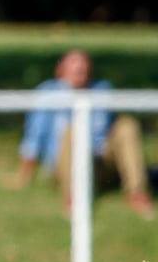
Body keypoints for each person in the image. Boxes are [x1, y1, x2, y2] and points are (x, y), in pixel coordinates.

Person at [11, 49, 153, 220]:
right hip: (64, 166)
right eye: (74, 65)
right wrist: (23, 176)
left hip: (99, 161)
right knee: (73, 131)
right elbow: (34, 138)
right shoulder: (48, 93)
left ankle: (137, 193)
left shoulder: (102, 89)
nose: (80, 69)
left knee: (126, 125)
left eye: (83, 65)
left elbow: (114, 131)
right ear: (61, 70)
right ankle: (73, 199)